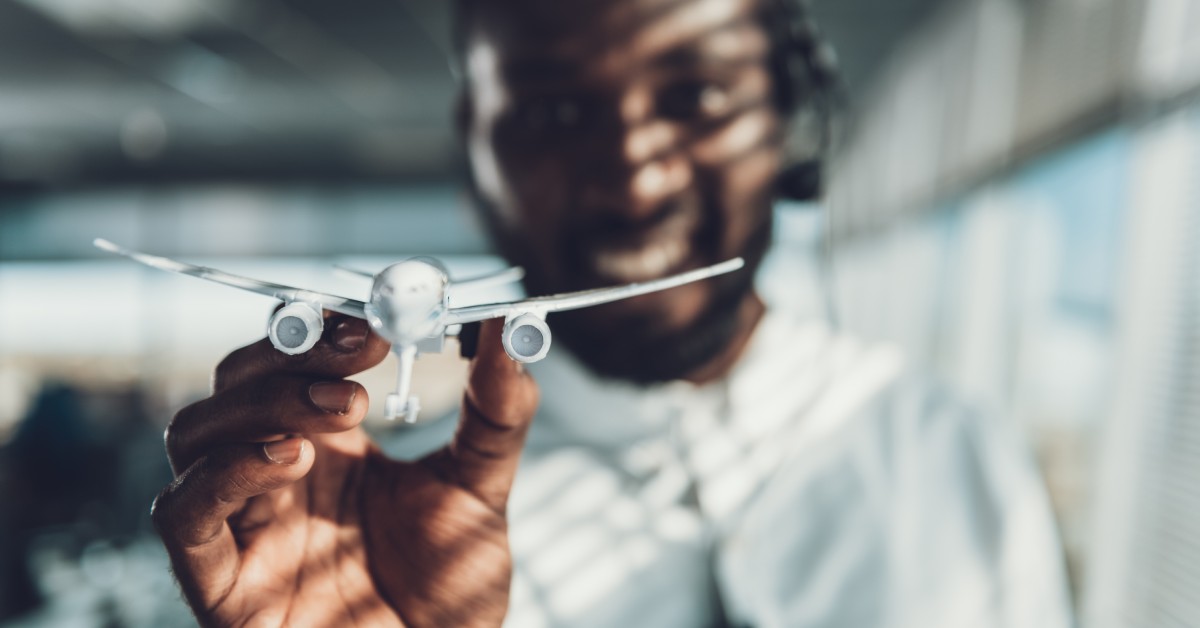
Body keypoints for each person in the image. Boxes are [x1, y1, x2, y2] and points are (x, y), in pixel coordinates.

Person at [150, 0, 1075, 626]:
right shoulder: (366, 516)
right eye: (554, 113)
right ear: (476, 152)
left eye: (697, 97)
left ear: (792, 126)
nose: (634, 176)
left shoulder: (947, 451)